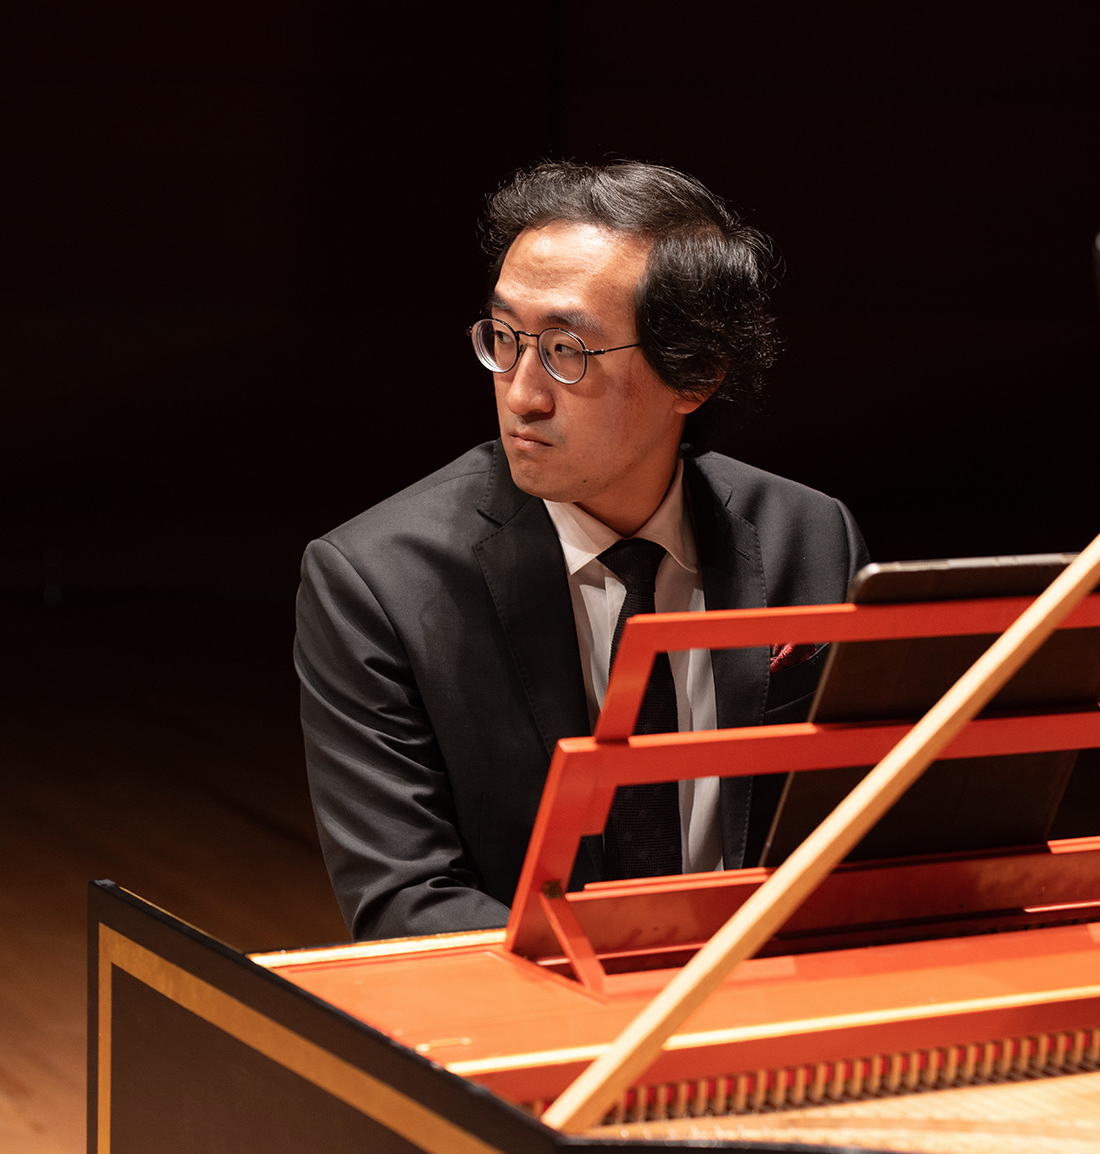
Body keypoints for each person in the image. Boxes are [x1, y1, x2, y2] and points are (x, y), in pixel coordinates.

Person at [295, 161, 867, 940]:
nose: (521, 392)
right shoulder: (377, 582)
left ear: (693, 375)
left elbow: (862, 826)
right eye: (504, 339)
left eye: (566, 350)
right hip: (528, 1022)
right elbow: (407, 901)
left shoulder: (812, 534)